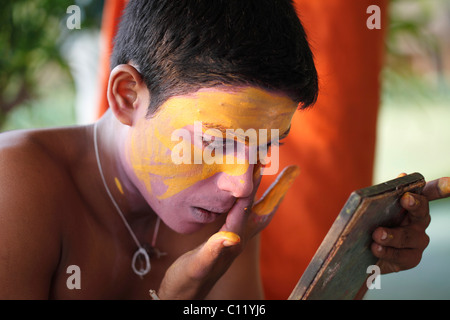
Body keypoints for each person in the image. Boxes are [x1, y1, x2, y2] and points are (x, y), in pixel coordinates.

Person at [0, 0, 445, 299]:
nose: (240, 184)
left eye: (263, 147)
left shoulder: (220, 207)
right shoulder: (16, 188)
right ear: (126, 96)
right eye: (215, 143)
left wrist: (352, 270)